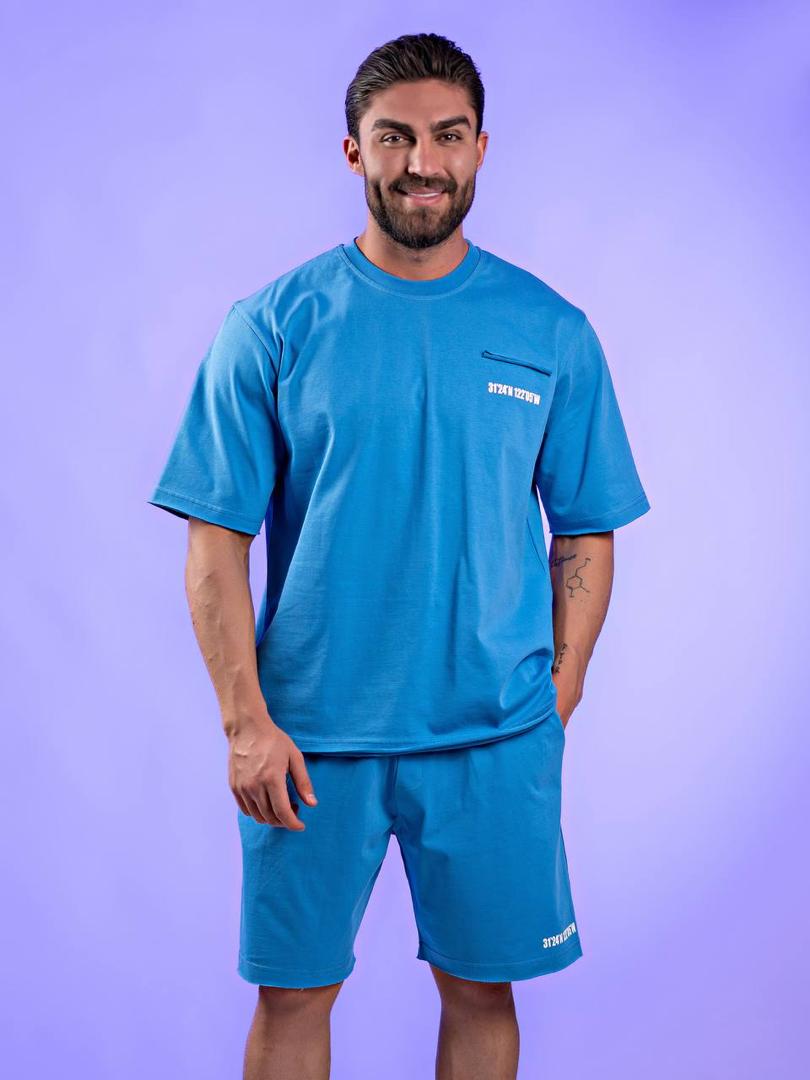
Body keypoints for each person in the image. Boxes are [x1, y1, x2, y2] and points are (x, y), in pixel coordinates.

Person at [148, 31, 651, 1080]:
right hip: (307, 741)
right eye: (394, 137)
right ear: (353, 151)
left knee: (482, 992)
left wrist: (557, 697)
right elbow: (214, 541)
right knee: (292, 999)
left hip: (492, 737)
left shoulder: (550, 329)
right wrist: (245, 725)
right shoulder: (272, 326)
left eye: (447, 136)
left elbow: (586, 529)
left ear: (481, 148)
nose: (423, 162)